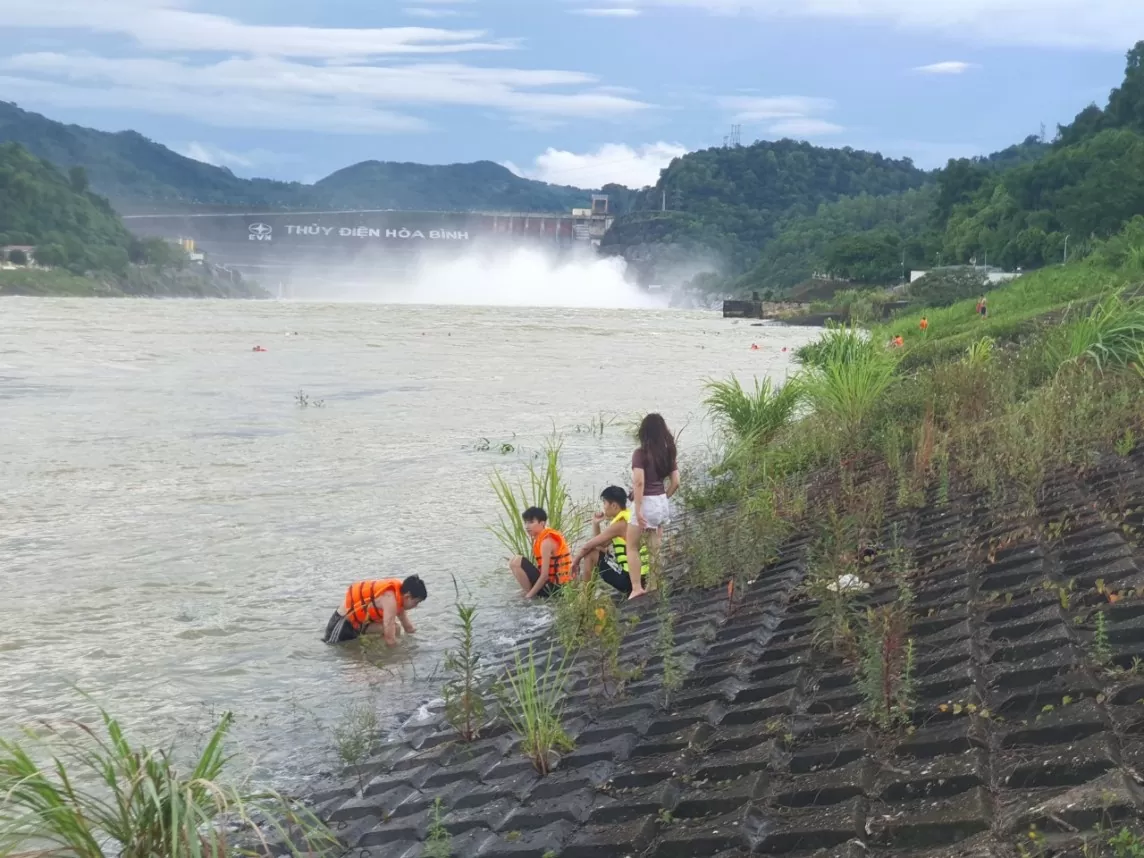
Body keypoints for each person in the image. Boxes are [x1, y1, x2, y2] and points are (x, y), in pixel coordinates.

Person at [626, 413, 680, 600]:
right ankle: (654, 584)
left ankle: (636, 588)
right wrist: (664, 497)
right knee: (654, 548)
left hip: (646, 501)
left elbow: (639, 482)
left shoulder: (640, 454)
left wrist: (639, 508)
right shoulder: (668, 453)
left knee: (631, 546)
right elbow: (676, 482)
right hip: (661, 502)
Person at [570, 486, 651, 595]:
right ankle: (586, 595)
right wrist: (596, 524)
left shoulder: (619, 524)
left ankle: (585, 597)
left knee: (589, 554)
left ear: (614, 506)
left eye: (604, 503)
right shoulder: (630, 517)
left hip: (630, 580)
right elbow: (601, 547)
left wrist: (576, 560)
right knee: (594, 551)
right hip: (642, 578)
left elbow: (588, 546)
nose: (603, 507)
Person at [322, 576, 427, 645]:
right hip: (342, 624)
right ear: (408, 596)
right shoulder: (390, 598)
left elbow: (408, 627)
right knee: (332, 647)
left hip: (359, 624)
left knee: (397, 628)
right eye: (416, 602)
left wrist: (424, 643)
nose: (416, 606)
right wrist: (398, 657)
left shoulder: (400, 596)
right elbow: (390, 639)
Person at [509, 507, 573, 599]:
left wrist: (529, 596)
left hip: (557, 589)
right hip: (553, 585)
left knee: (517, 561)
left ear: (542, 523)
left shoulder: (546, 541)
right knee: (513, 561)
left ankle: (531, 594)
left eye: (531, 522)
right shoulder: (541, 538)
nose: (527, 526)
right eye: (526, 522)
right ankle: (529, 591)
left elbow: (544, 576)